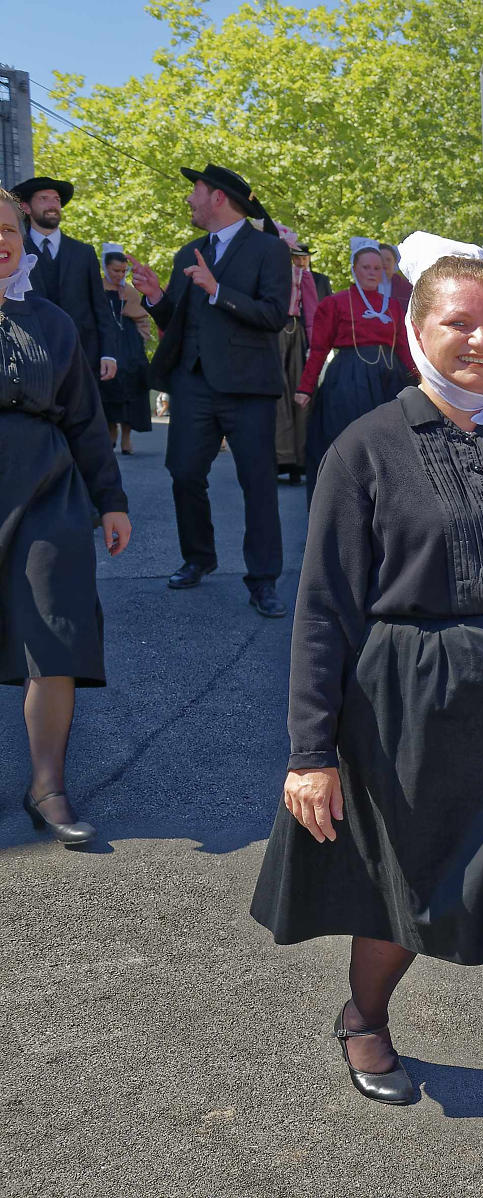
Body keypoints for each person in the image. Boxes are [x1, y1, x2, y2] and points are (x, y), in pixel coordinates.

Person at [250, 254, 483, 1197]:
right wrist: (309, 752)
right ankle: (363, 1015)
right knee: (406, 899)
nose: (482, 342)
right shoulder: (365, 448)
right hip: (409, 712)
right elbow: (323, 609)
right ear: (419, 330)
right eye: (460, 323)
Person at [0, 191, 132, 848]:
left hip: (47, 486)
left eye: (6, 230)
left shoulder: (51, 321)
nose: (0, 241)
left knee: (56, 628)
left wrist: (112, 500)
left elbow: (83, 416)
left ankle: (47, 786)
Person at [129, 163, 292, 619]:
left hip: (248, 389)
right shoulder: (188, 252)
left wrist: (219, 290)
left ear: (217, 196)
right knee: (183, 473)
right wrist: (157, 297)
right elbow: (176, 325)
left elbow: (275, 315)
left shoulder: (269, 250)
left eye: (194, 191)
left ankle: (263, 580)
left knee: (258, 485)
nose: (188, 200)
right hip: (194, 383)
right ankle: (198, 557)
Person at [295, 239, 416, 502]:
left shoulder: (394, 306)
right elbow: (318, 349)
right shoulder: (335, 304)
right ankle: (341, 506)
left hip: (388, 379)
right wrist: (305, 388)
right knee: (348, 443)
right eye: (366, 267)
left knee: (390, 446)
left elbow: (404, 348)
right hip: (349, 382)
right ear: (355, 269)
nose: (372, 272)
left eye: (377, 267)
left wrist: (421, 381)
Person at [11, 176, 115, 386]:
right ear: (26, 207)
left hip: (82, 357)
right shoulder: (15, 252)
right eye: (43, 199)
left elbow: (101, 309)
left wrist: (109, 354)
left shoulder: (84, 253)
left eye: (56, 199)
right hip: (30, 359)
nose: (52, 205)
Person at [272, 227, 321, 484]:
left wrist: (313, 346)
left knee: (297, 395)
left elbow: (311, 315)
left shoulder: (303, 276)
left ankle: (296, 461)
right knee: (275, 395)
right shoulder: (266, 270)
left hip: (294, 333)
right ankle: (276, 458)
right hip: (270, 332)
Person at [99, 245, 155, 453]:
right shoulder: (96, 288)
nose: (120, 275)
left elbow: (141, 318)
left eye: (124, 271)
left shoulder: (130, 292)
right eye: (116, 270)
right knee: (108, 387)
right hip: (106, 344)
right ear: (106, 268)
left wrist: (143, 338)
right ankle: (111, 430)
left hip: (130, 345)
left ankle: (127, 437)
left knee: (133, 385)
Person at [378, 242, 411, 309]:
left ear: (395, 262)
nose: (384, 263)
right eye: (381, 259)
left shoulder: (406, 288)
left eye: (388, 260)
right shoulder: (366, 285)